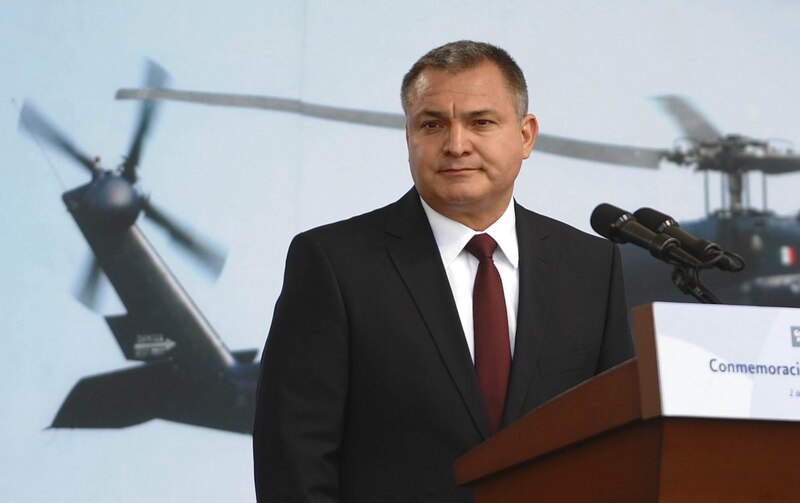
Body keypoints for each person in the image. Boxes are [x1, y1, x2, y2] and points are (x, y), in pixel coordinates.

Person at [253, 40, 634, 502]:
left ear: (526, 135)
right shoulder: (334, 262)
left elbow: (620, 444)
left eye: (481, 122)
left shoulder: (590, 266)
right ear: (409, 137)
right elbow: (293, 457)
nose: (456, 145)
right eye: (432, 124)